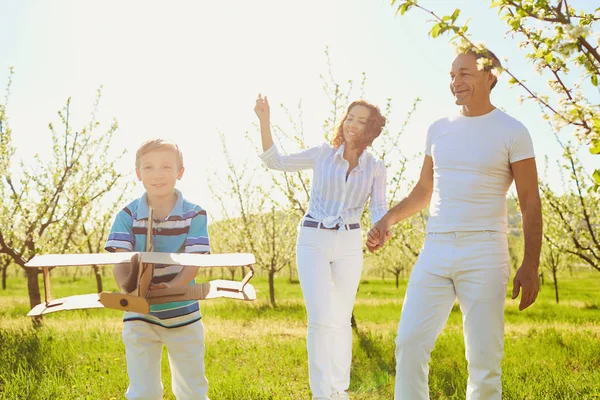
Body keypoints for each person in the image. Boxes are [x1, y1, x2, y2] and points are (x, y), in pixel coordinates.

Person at [367, 47, 543, 400]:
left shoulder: (513, 131)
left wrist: (531, 263)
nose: (454, 81)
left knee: (483, 360)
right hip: (435, 248)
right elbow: (423, 190)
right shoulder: (438, 129)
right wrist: (388, 219)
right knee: (410, 343)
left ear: (490, 76)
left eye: (464, 73)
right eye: (451, 74)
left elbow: (530, 202)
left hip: (484, 252)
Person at [255, 94, 388, 400]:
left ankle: (339, 391)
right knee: (319, 319)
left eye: (362, 121)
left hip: (350, 240)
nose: (353, 124)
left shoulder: (375, 167)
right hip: (313, 238)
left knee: (341, 319)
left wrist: (380, 230)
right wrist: (264, 121)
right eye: (350, 117)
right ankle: (320, 395)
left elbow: (379, 208)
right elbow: (276, 162)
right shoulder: (322, 154)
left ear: (372, 129)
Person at [105, 138, 211, 400]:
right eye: (149, 167)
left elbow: (194, 260)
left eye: (166, 166)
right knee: (143, 391)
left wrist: (174, 287)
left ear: (180, 172)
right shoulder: (127, 215)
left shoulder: (194, 214)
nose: (158, 174)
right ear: (138, 174)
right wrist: (126, 290)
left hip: (182, 313)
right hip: (140, 313)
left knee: (192, 388)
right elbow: (120, 259)